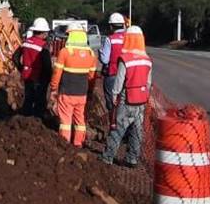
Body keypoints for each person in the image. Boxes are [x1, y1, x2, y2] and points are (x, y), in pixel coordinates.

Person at [102, 26, 153, 167]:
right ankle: (132, 159)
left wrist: (114, 95)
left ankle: (107, 157)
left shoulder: (125, 59)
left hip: (126, 99)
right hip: (141, 100)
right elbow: (148, 83)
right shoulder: (147, 59)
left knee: (117, 130)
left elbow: (119, 81)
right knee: (137, 132)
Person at [48, 28, 97, 148]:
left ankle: (65, 143)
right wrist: (89, 91)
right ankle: (78, 143)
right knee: (80, 119)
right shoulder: (91, 54)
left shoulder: (65, 52)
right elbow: (92, 77)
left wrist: (53, 88)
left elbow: (57, 73)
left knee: (65, 121)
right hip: (82, 94)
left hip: (67, 92)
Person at [17, 17, 52, 117]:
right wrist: (48, 79)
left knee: (28, 98)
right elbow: (47, 65)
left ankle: (25, 119)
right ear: (44, 33)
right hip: (39, 77)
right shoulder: (43, 46)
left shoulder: (26, 42)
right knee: (40, 101)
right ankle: (37, 121)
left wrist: (22, 68)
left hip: (27, 75)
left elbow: (15, 57)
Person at [100, 13, 128, 132]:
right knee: (124, 102)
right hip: (128, 76)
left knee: (112, 103)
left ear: (111, 26)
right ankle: (124, 128)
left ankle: (114, 127)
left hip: (112, 74)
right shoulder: (130, 38)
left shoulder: (109, 39)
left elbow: (105, 59)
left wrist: (100, 52)